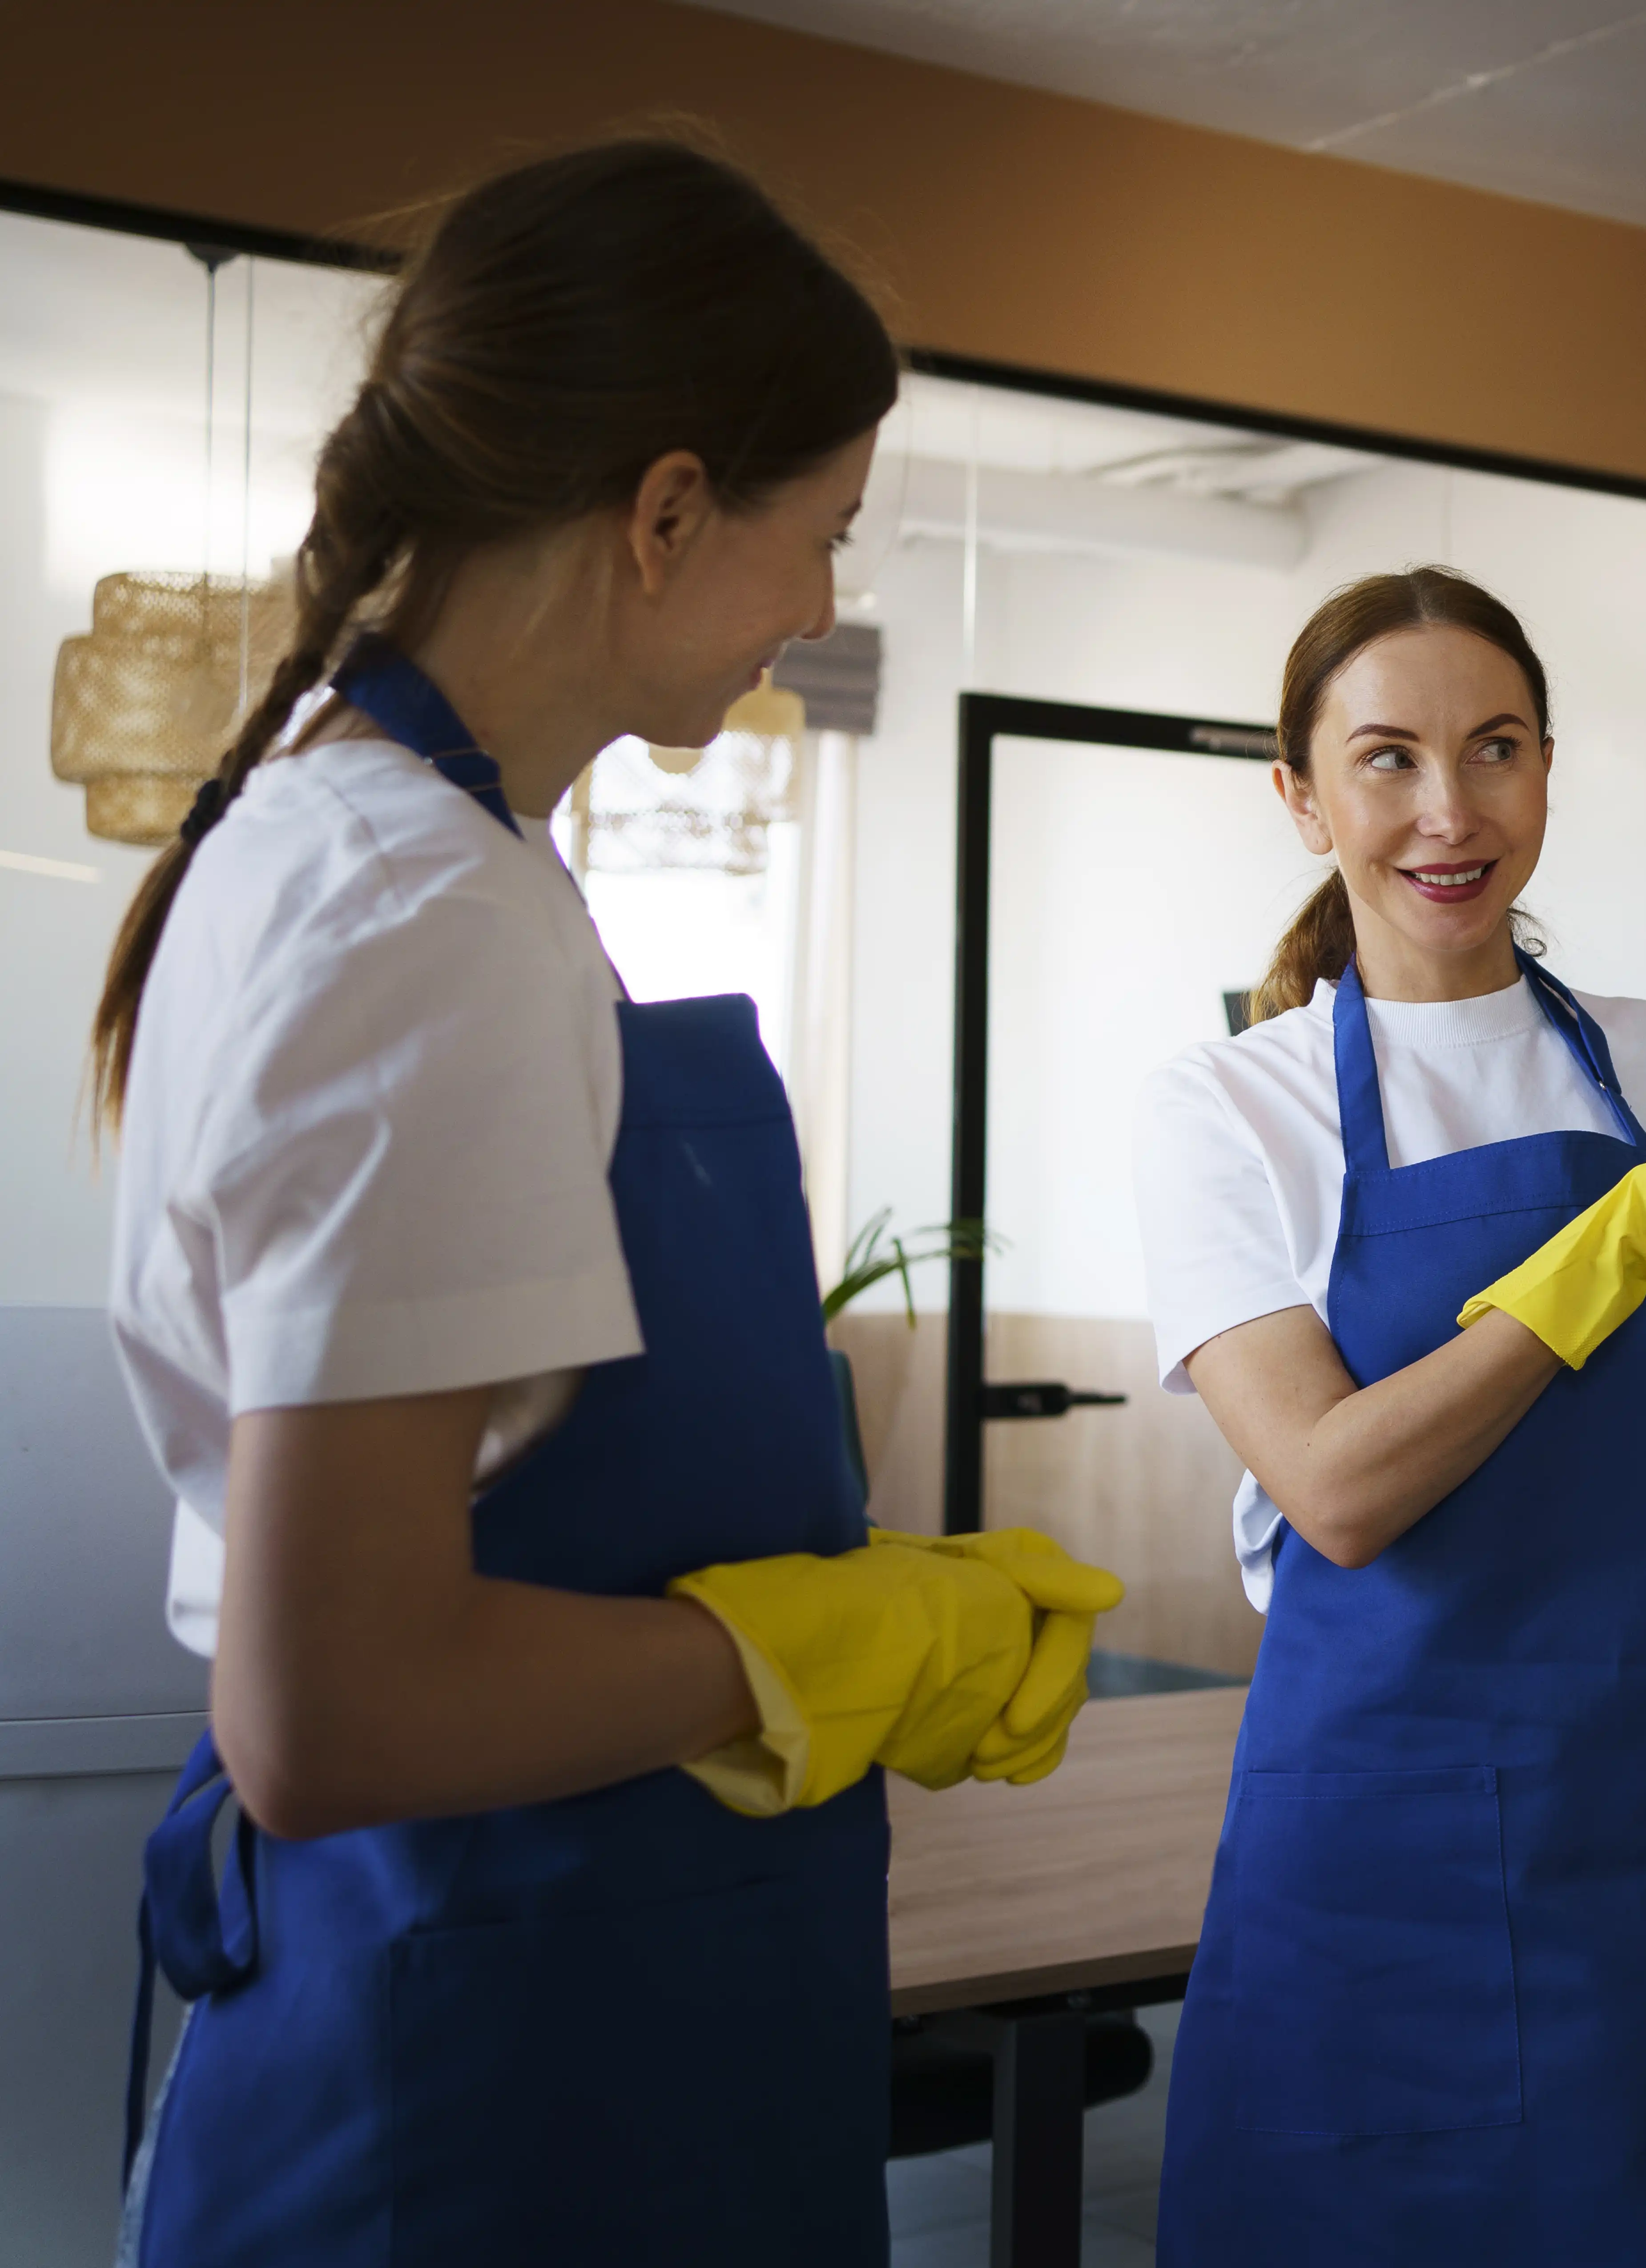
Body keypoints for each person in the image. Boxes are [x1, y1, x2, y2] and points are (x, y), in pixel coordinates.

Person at [97, 141, 1121, 2267]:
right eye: (818, 534)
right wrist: (821, 1643)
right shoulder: (417, 912)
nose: (821, 607)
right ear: (665, 510)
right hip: (477, 2086)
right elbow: (333, 1713)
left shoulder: (401, 857)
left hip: (571, 2016)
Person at [1135, 567, 1646, 2263]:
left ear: (1550, 770)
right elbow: (1338, 1492)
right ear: (1300, 796)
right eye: (1387, 758)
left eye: (1496, 749)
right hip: (1389, 1862)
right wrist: (1598, 1259)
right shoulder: (1232, 1107)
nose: (1449, 811)